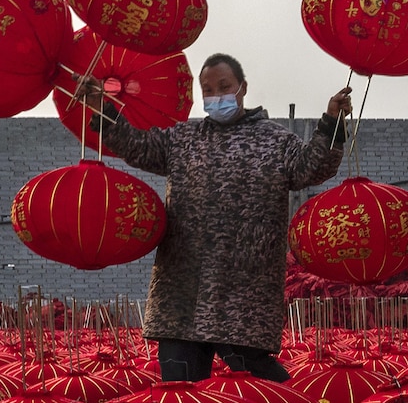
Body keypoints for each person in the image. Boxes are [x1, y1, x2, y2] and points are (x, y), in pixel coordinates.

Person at [76, 55, 352, 382]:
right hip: (182, 291)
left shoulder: (274, 140)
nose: (216, 96)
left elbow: (312, 166)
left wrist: (331, 121)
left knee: (257, 390)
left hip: (243, 290)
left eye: (224, 87)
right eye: (208, 90)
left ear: (242, 88)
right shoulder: (183, 139)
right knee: (180, 391)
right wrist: (100, 106)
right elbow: (136, 146)